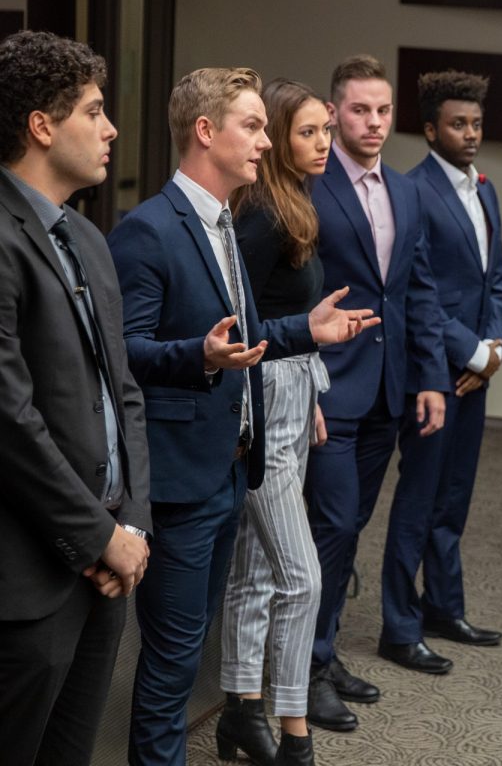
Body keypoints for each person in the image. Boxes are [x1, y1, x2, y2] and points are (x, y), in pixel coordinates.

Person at [108, 67, 380, 766]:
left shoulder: (226, 222)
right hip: (178, 480)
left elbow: (248, 335)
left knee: (190, 645)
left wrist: (304, 334)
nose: (265, 142)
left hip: (232, 470)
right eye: (253, 126)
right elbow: (123, 354)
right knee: (169, 669)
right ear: (206, 132)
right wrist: (197, 355)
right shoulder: (148, 230)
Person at [0, 29, 151, 766]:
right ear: (42, 126)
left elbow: (123, 393)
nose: (111, 128)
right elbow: (8, 419)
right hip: (28, 577)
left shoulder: (90, 239)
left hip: (108, 568)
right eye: (95, 110)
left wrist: (135, 529)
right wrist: (97, 537)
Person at [305, 54, 448, 732]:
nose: (374, 122)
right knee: (328, 526)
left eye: (383, 110)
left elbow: (418, 289)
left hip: (390, 390)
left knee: (350, 527)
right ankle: (303, 670)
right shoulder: (310, 183)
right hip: (329, 386)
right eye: (360, 110)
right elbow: (296, 292)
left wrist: (431, 378)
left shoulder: (405, 189)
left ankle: (324, 652)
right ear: (334, 114)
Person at [215, 78, 335, 766]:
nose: (322, 143)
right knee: (300, 576)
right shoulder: (261, 213)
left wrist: (311, 391)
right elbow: (243, 316)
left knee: (260, 567)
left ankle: (240, 708)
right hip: (260, 396)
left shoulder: (294, 200)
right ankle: (294, 734)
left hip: (293, 390)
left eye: (325, 131)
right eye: (307, 132)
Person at [380, 70, 502, 666]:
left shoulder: (486, 191)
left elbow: (497, 283)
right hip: (434, 370)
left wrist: (496, 349)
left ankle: (444, 606)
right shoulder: (411, 192)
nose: (471, 134)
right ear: (430, 129)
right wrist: (473, 354)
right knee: (419, 499)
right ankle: (400, 628)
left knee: (455, 497)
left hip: (476, 371)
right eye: (458, 124)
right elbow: (418, 294)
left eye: (477, 123)